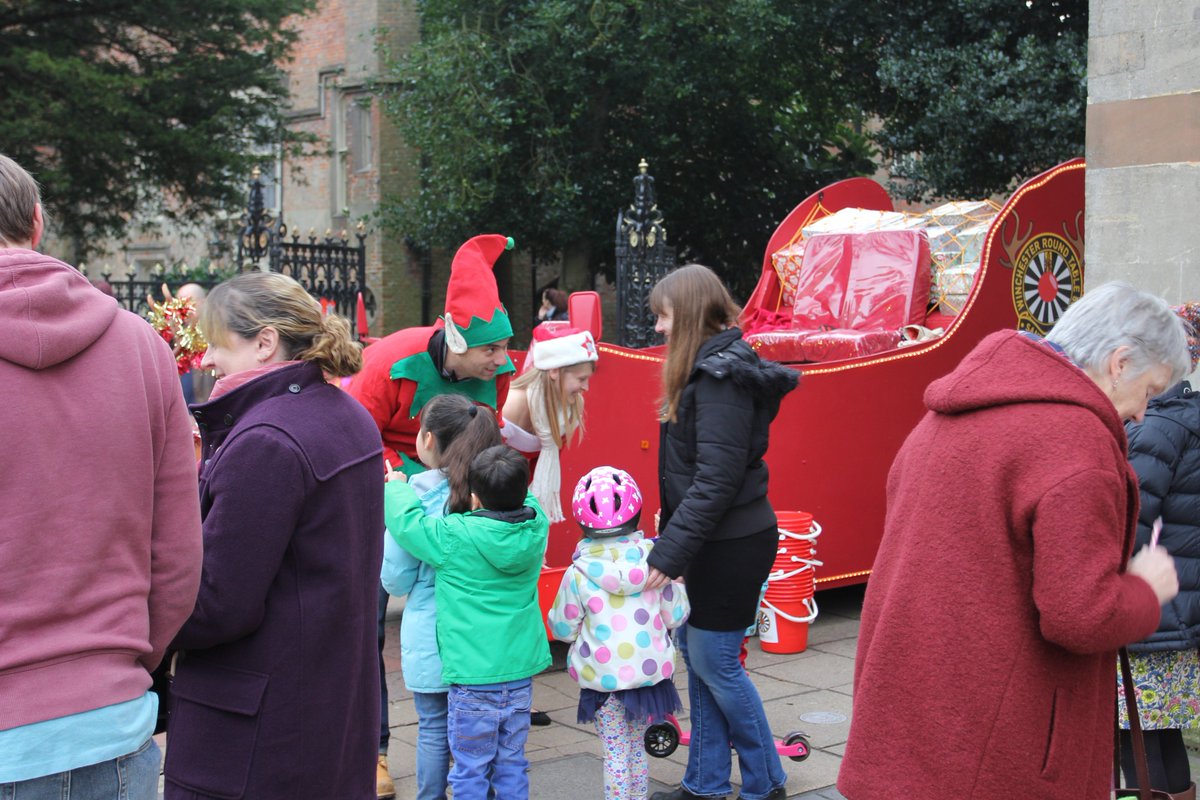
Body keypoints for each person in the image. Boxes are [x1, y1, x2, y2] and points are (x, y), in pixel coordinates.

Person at [837, 281, 1189, 798]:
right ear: (1119, 362)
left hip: (909, 719)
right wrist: (1144, 590)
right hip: (1003, 751)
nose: (1141, 414)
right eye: (1150, 392)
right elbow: (1080, 615)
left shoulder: (942, 418)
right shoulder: (1075, 441)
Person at [0, 152, 203, 798]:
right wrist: (120, 661)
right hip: (111, 721)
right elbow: (177, 559)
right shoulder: (141, 346)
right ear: (36, 224)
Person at [163, 272, 384, 800]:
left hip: (256, 734)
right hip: (326, 713)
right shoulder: (347, 415)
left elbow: (217, 604)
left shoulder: (267, 440)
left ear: (265, 342)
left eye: (218, 344)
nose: (208, 360)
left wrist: (136, 610)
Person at [347, 233, 517, 797]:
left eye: (505, 348)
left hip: (451, 489)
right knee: (365, 624)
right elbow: (351, 432)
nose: (502, 360)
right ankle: (372, 750)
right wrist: (402, 480)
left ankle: (463, 728)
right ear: (457, 334)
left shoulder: (492, 375)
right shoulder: (387, 360)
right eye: (492, 350)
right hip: (385, 485)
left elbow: (489, 444)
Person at [643, 264, 799, 800]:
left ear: (685, 316)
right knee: (701, 656)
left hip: (731, 545)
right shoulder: (711, 371)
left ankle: (766, 781)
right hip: (714, 542)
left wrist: (668, 553)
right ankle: (705, 783)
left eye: (663, 317)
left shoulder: (719, 379)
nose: (658, 329)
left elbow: (716, 481)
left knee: (714, 661)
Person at [384, 444, 551, 800]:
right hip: (520, 674)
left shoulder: (453, 536)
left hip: (472, 679)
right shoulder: (537, 528)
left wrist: (396, 486)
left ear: (474, 499)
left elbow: (408, 525)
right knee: (511, 762)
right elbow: (530, 499)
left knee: (470, 769)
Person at [380, 394, 504, 800]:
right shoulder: (503, 494)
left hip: (433, 639)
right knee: (485, 731)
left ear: (428, 439)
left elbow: (394, 579)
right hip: (485, 642)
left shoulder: (415, 501)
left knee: (433, 727)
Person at [549, 466, 690, 800]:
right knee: (637, 751)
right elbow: (677, 614)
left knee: (614, 753)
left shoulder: (578, 573)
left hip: (604, 680)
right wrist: (679, 582)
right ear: (637, 514)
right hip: (649, 677)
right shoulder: (658, 563)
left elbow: (563, 629)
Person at [1116, 302, 1200, 795]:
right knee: (1161, 732)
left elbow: (1130, 516)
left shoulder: (1156, 428)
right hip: (1180, 606)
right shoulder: (1188, 419)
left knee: (1137, 742)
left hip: (1152, 609)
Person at [503, 323, 599, 523]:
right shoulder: (510, 405)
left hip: (523, 506)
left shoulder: (568, 409)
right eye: (581, 379)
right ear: (554, 371)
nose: (586, 387)